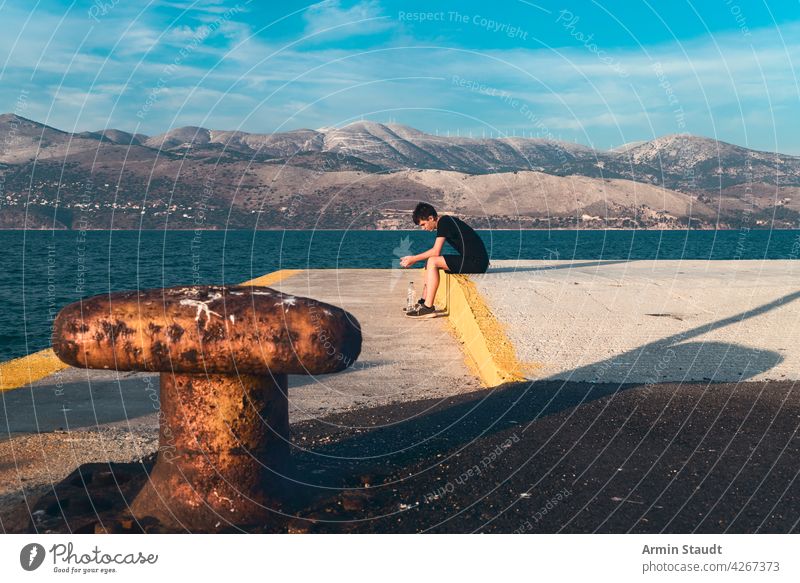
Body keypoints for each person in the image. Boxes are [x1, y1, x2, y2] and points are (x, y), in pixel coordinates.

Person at [400, 202, 489, 318]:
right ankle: (423, 301)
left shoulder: (444, 222)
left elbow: (436, 251)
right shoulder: (445, 222)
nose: (423, 228)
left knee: (433, 261)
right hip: (473, 260)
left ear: (431, 218)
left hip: (477, 263)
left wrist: (414, 259)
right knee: (430, 261)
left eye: (423, 224)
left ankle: (428, 307)